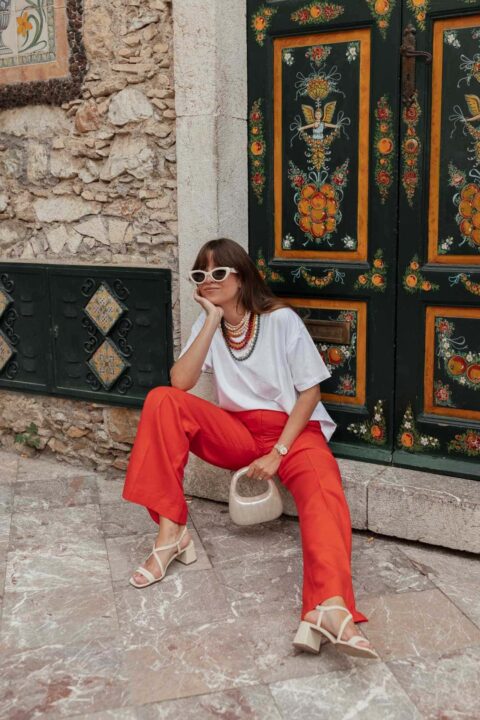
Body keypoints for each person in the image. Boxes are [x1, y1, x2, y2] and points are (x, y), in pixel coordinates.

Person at [122, 238, 378, 660]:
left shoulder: (281, 321)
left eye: (218, 273)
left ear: (241, 276)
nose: (208, 281)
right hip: (237, 432)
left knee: (324, 493)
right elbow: (180, 382)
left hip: (293, 432)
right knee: (162, 401)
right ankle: (172, 534)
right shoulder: (211, 327)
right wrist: (209, 320)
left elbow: (310, 393)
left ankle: (328, 608)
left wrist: (279, 451)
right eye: (199, 275)